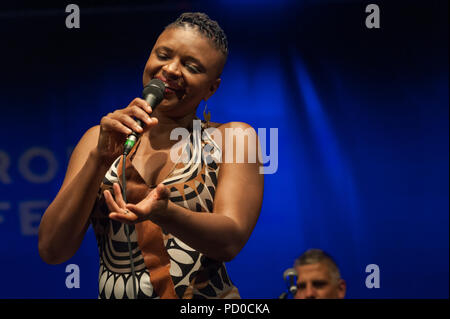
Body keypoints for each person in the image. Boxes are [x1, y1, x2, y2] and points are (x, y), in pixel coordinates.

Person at [38, 12, 264, 299]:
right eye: (163, 54)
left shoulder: (232, 138)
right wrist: (99, 160)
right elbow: (52, 249)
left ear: (211, 88)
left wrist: (166, 213)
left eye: (191, 66)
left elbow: (230, 241)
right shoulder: (98, 139)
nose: (170, 69)